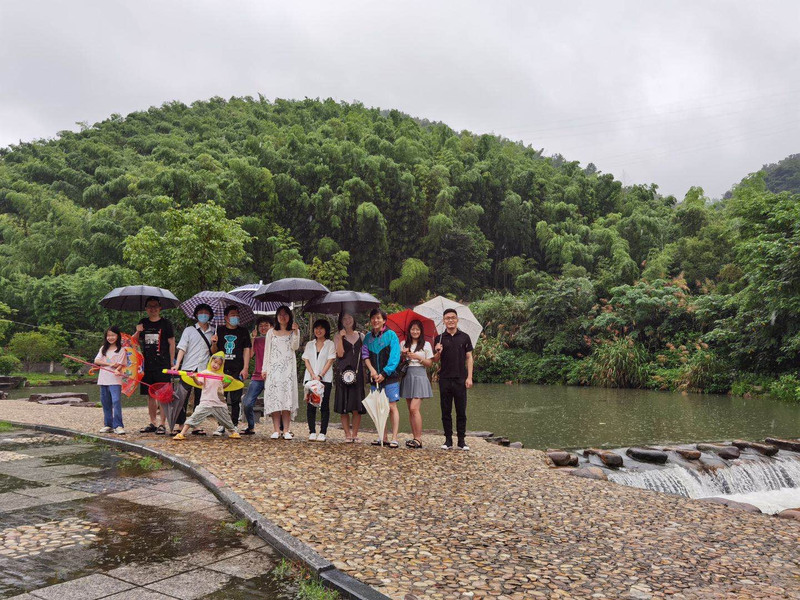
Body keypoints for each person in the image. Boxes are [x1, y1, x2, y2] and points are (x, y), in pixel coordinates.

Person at [172, 352, 241, 440]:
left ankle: (234, 432)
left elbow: (223, 387)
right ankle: (182, 433)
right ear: (210, 361)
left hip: (219, 402)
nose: (216, 365)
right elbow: (199, 383)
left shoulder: (221, 376)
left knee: (226, 419)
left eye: (219, 364)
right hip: (206, 401)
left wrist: (229, 381)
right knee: (195, 416)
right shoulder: (204, 373)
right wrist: (194, 377)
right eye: (215, 362)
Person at [432, 308, 474, 450]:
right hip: (445, 378)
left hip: (460, 379)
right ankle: (448, 440)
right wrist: (438, 351)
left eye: (453, 317)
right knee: (446, 411)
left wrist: (469, 377)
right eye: (447, 318)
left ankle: (461, 440)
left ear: (457, 319)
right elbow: (435, 360)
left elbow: (469, 357)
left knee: (461, 411)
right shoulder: (439, 338)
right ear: (444, 321)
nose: (450, 320)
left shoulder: (465, 337)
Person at [173, 303, 218, 435]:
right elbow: (182, 348)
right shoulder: (189, 330)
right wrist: (177, 364)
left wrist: (214, 343)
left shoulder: (214, 331)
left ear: (210, 315)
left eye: (206, 313)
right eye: (200, 312)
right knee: (182, 397)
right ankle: (180, 424)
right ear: (196, 315)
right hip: (188, 368)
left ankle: (196, 425)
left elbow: (214, 353)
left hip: (204, 370)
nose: (203, 315)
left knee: (200, 398)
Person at [134, 297, 175, 435]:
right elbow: (133, 341)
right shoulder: (143, 322)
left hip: (163, 363)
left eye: (155, 306)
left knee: (163, 394)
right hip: (147, 364)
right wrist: (138, 331)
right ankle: (153, 422)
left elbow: (172, 343)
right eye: (150, 306)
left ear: (160, 308)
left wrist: (172, 362)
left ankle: (162, 424)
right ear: (146, 309)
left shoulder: (166, 323)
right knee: (150, 394)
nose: (153, 309)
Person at [362, 308, 402, 448]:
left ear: (384, 320)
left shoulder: (391, 335)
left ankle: (394, 438)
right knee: (379, 407)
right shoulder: (368, 337)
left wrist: (385, 373)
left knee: (391, 406)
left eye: (378, 318)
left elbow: (395, 356)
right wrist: (372, 371)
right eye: (373, 318)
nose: (375, 320)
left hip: (390, 377)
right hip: (375, 377)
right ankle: (382, 437)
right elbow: (365, 355)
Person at [261, 305, 300, 439]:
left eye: (285, 314)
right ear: (277, 317)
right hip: (274, 370)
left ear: (289, 316)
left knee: (287, 398)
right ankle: (276, 430)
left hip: (288, 370)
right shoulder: (271, 332)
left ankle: (286, 430)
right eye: (280, 314)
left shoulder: (294, 331)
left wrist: (295, 332)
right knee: (275, 398)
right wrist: (264, 369)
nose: (283, 317)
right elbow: (267, 351)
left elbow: (295, 347)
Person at [214, 306, 251, 435]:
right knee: (220, 398)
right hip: (222, 369)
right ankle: (221, 424)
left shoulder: (243, 331)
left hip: (237, 369)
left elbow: (247, 350)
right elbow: (213, 352)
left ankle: (234, 424)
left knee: (235, 398)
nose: (235, 317)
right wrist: (214, 343)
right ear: (226, 317)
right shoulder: (219, 330)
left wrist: (245, 368)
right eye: (232, 314)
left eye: (237, 315)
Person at [399, 320, 434, 449]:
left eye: (417, 329)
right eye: (413, 329)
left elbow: (430, 363)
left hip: (420, 375)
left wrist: (417, 357)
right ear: (409, 331)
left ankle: (418, 439)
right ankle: (415, 438)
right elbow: (398, 360)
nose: (415, 331)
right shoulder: (403, 343)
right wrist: (403, 354)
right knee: (410, 410)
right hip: (408, 375)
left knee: (414, 408)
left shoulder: (426, 344)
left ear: (421, 331)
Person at [333, 312, 366, 443]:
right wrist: (341, 338)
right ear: (341, 321)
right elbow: (340, 354)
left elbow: (365, 354)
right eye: (344, 318)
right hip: (343, 373)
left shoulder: (361, 336)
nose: (347, 320)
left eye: (349, 318)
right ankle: (347, 434)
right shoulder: (337, 336)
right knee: (344, 405)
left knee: (357, 405)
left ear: (354, 319)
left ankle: (355, 434)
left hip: (358, 373)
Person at [302, 319, 336, 441]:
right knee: (311, 405)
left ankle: (322, 432)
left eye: (321, 328)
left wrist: (320, 376)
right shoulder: (309, 344)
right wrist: (312, 375)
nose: (318, 330)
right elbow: (306, 360)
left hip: (325, 379)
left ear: (326, 330)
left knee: (324, 405)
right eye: (316, 328)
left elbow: (330, 361)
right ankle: (312, 431)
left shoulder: (330, 344)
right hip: (310, 378)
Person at [241, 316, 273, 435]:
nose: (263, 328)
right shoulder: (257, 340)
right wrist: (253, 339)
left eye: (266, 325)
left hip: (272, 376)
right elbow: (250, 355)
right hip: (258, 376)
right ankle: (251, 426)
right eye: (261, 326)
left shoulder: (275, 340)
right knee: (247, 402)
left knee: (278, 402)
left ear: (271, 327)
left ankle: (281, 428)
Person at [94, 326, 127, 435]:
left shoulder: (121, 350)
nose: (110, 337)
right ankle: (108, 425)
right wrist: (109, 364)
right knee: (105, 402)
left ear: (118, 336)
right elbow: (97, 360)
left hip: (115, 380)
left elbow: (121, 364)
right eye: (108, 335)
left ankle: (118, 425)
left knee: (116, 401)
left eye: (113, 335)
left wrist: (117, 369)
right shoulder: (103, 348)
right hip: (103, 379)